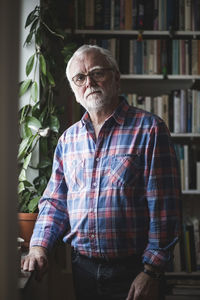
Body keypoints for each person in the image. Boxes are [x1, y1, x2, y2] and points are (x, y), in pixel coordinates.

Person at [22, 44, 181, 300]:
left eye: (97, 73)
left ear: (116, 78)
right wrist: (39, 246)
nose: (90, 83)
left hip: (135, 272)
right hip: (82, 270)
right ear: (74, 90)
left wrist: (152, 272)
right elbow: (55, 202)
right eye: (80, 78)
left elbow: (165, 208)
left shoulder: (150, 130)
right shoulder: (68, 140)